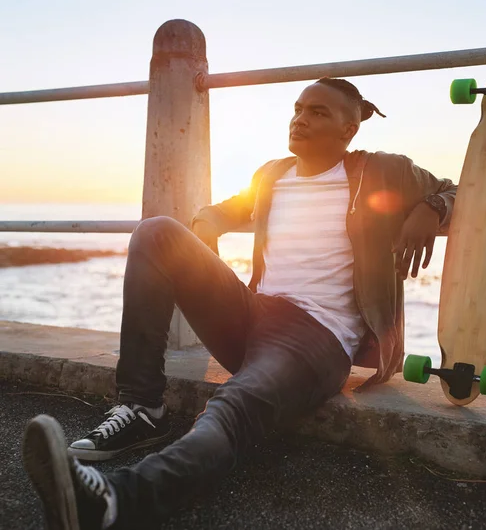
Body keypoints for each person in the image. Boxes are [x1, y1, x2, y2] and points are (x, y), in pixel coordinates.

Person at [22, 77, 457, 530]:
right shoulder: (272, 174)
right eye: (298, 107)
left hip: (317, 339)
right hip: (254, 314)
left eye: (318, 113)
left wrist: (432, 207)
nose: (300, 119)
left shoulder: (383, 171)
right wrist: (205, 224)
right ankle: (142, 407)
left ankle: (115, 502)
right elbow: (232, 207)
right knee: (156, 233)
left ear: (349, 130)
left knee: (231, 407)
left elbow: (460, 189)